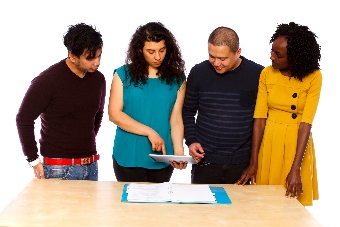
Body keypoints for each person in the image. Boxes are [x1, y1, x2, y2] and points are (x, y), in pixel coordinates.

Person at [237, 22, 322, 206]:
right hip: (270, 142)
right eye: (272, 51)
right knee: (264, 204)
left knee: (293, 206)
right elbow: (259, 119)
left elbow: (306, 123)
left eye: (278, 54)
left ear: (295, 58)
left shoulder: (314, 77)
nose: (272, 57)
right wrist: (253, 162)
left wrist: (296, 168)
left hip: (297, 146)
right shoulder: (267, 74)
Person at [16, 23, 106, 181]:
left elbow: (98, 114)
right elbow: (24, 119)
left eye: (99, 55)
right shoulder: (47, 80)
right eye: (90, 58)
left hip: (91, 165)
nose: (97, 62)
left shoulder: (98, 79)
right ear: (72, 56)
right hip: (59, 169)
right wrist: (33, 160)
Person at [182, 26, 264, 184]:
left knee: (240, 209)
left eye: (223, 58)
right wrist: (191, 141)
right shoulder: (198, 72)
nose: (216, 63)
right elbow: (187, 111)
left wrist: (254, 162)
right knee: (202, 209)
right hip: (205, 162)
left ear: (238, 52)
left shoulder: (258, 74)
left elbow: (260, 120)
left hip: (242, 164)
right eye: (211, 56)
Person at [108, 22, 186, 183]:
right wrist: (150, 132)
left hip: (163, 157)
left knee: (159, 206)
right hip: (128, 154)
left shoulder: (177, 79)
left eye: (162, 50)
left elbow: (176, 119)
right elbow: (114, 114)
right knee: (130, 206)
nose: (157, 57)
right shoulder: (122, 75)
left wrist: (178, 151)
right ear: (139, 50)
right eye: (151, 51)